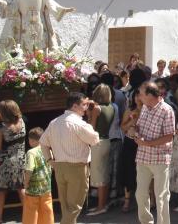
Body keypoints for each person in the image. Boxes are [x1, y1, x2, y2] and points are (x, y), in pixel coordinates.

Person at [40, 92, 100, 224]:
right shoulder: (78, 123)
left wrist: (50, 160)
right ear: (74, 106)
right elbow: (95, 139)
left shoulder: (54, 122)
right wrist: (92, 116)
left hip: (60, 167)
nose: (86, 107)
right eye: (84, 104)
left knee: (66, 206)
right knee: (73, 207)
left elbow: (43, 142)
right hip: (76, 168)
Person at [134, 81, 176, 224]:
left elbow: (169, 136)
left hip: (160, 158)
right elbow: (139, 127)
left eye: (141, 94)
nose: (139, 97)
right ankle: (146, 222)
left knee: (161, 196)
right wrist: (135, 131)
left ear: (150, 95)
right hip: (143, 157)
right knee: (140, 194)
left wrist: (147, 143)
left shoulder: (167, 110)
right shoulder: (145, 107)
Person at [86, 84, 116, 216]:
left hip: (98, 143)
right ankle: (103, 204)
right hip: (107, 141)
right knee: (104, 175)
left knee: (99, 178)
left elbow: (91, 128)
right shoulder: (112, 107)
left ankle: (101, 206)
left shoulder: (97, 108)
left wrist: (88, 115)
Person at [0, 100, 26, 224]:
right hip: (21, 160)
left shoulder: (1, 127)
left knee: (1, 190)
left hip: (5, 162)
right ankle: (29, 217)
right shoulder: (22, 121)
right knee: (21, 188)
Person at [22, 127, 54, 224]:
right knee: (47, 212)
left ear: (31, 140)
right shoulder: (48, 150)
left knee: (31, 212)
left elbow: (29, 170)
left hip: (33, 189)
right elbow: (52, 166)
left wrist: (25, 183)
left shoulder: (31, 153)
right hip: (46, 188)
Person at [120, 92, 143, 213]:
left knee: (144, 172)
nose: (138, 98)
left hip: (144, 143)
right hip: (130, 142)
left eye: (140, 95)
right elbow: (123, 128)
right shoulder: (129, 111)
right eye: (136, 95)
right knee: (128, 170)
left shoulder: (148, 111)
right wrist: (131, 122)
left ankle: (149, 200)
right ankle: (127, 200)